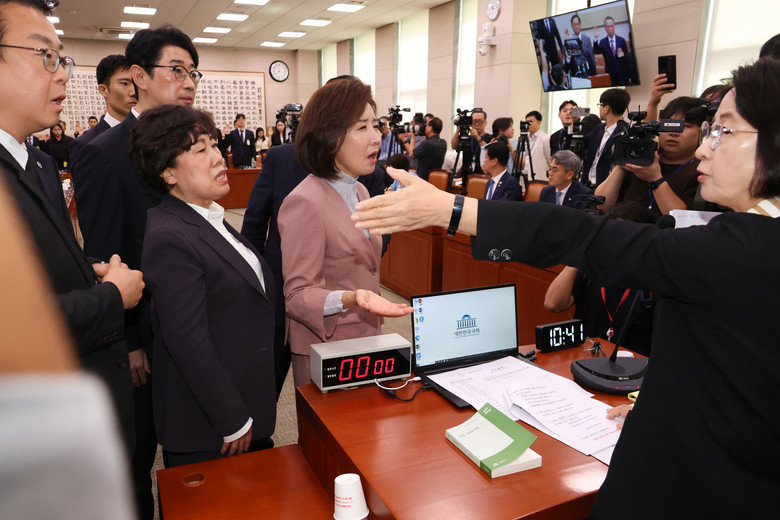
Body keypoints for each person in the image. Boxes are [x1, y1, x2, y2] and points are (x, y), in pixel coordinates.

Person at [352, 57, 780, 519]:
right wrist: (660, 402)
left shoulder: (747, 248)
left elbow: (589, 236)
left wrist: (452, 211)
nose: (704, 150)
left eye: (724, 131)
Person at [0, 0, 144, 502]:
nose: (62, 74)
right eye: (45, 56)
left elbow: (45, 265)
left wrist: (89, 270)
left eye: (63, 59)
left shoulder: (37, 163)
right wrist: (111, 297)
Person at [73, 24, 200, 520]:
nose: (188, 82)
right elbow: (103, 255)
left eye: (194, 73)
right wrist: (127, 340)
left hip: (191, 321)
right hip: (141, 329)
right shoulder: (104, 153)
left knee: (193, 451)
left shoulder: (194, 145)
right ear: (138, 77)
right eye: (177, 70)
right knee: (138, 457)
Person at [130, 104, 276, 468]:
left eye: (214, 144)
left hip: (244, 398)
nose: (217, 157)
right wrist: (231, 417)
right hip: (212, 425)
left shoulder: (207, 216)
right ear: (167, 172)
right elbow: (186, 340)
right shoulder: (171, 235)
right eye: (200, 150)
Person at [277, 77, 413, 387]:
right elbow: (297, 297)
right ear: (330, 136)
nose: (376, 137)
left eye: (376, 126)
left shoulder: (361, 191)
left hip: (367, 339)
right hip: (327, 349)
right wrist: (352, 298)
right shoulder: (304, 201)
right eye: (362, 127)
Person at [595, 96, 705, 220]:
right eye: (668, 124)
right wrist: (622, 164)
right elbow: (600, 205)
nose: (673, 132)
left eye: (684, 126)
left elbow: (681, 219)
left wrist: (655, 179)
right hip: (623, 230)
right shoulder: (641, 155)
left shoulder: (701, 170)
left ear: (702, 131)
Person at [70, 54, 137, 166]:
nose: (134, 92)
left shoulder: (149, 135)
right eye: (124, 83)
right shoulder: (86, 144)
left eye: (136, 83)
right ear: (104, 90)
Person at [582, 87, 630, 188]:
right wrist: (575, 122)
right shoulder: (598, 129)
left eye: (600, 105)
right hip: (587, 187)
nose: (600, 108)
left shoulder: (626, 133)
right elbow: (580, 144)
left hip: (606, 189)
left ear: (606, 108)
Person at [402, 116, 446, 181]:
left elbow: (411, 154)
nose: (425, 127)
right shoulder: (443, 143)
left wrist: (406, 139)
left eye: (427, 125)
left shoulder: (427, 143)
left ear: (430, 128)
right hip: (435, 180)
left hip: (423, 180)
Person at [593, 16, 632, 86]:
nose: (610, 28)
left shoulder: (621, 40)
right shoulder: (602, 42)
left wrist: (629, 76)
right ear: (605, 28)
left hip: (622, 75)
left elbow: (626, 60)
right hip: (610, 76)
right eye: (608, 27)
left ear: (614, 26)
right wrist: (595, 38)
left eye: (611, 26)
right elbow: (596, 51)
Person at [451, 108, 490, 175]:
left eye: (480, 121)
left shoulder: (490, 138)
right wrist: (458, 129)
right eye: (474, 121)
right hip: (466, 174)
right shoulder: (466, 138)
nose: (477, 124)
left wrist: (477, 137)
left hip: (483, 176)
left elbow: (489, 150)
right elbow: (454, 146)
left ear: (485, 123)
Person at [518, 110, 551, 181]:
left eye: (531, 121)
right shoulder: (525, 138)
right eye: (527, 122)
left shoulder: (545, 138)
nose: (528, 124)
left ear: (539, 122)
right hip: (524, 177)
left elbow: (549, 159)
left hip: (539, 177)